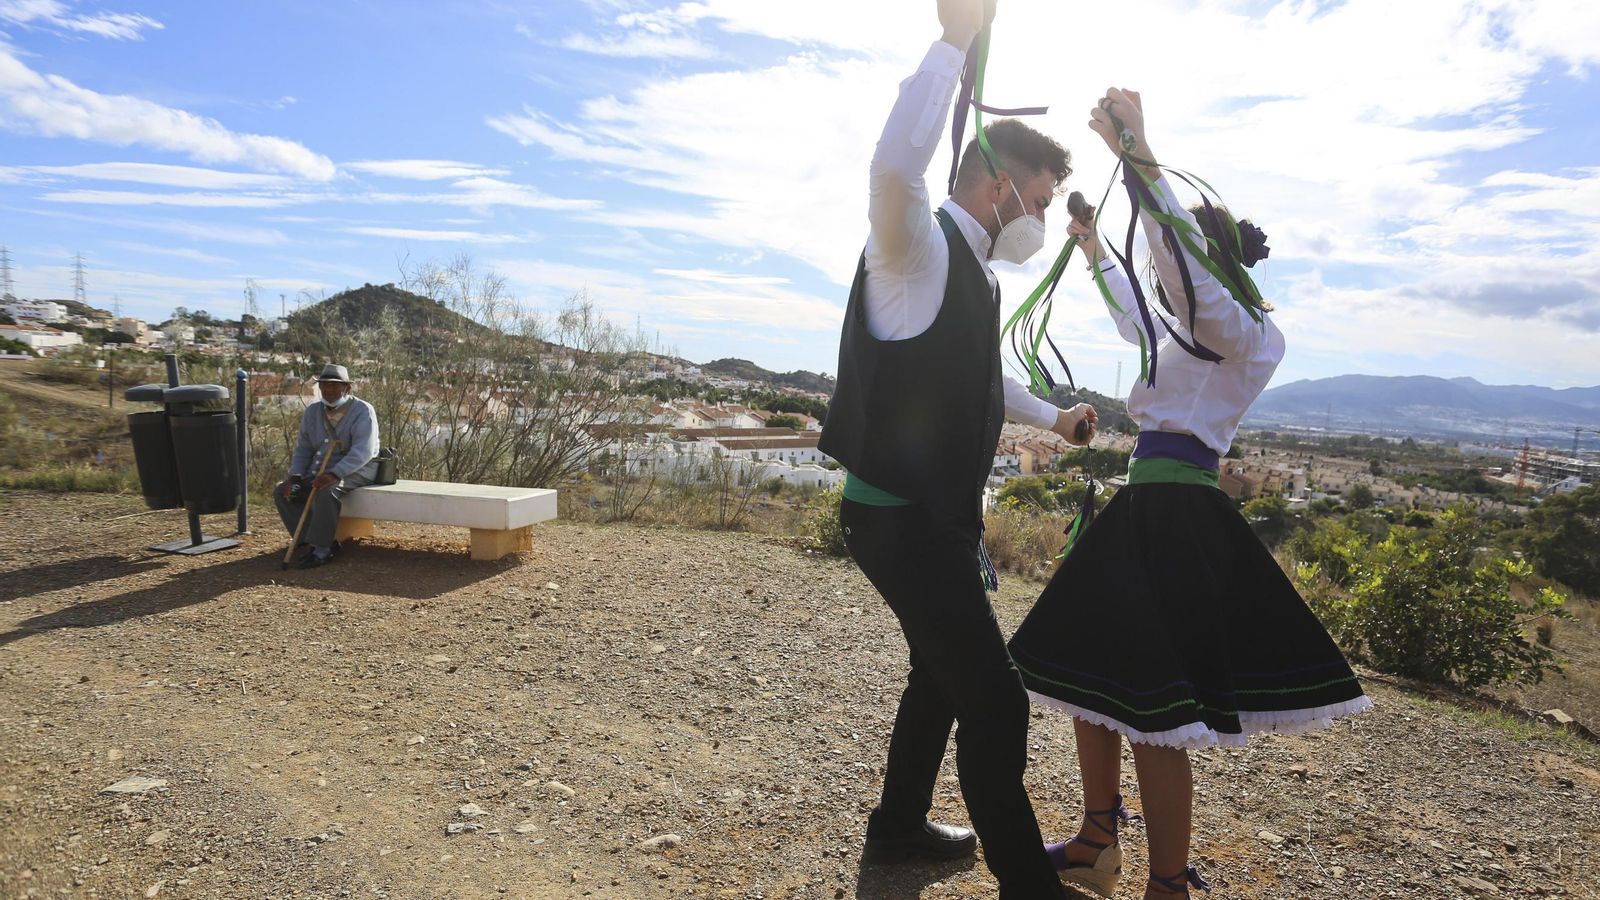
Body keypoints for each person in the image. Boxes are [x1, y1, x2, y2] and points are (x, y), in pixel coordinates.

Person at [1007, 89, 1370, 899]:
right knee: (1088, 683)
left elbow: (1181, 275)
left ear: (1212, 263)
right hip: (1141, 509)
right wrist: (1097, 244)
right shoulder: (1184, 330)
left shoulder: (1247, 333)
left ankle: (1167, 885)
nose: (1166, 277)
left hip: (1178, 517)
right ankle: (1100, 841)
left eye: (1181, 265)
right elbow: (1140, 312)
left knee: (1151, 716)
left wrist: (1139, 157)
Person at [816, 1, 1096, 895]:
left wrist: (1053, 419)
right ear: (998, 182)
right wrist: (953, 42)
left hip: (928, 520)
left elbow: (978, 381)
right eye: (1041, 201)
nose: (1042, 218)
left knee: (941, 678)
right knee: (996, 698)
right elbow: (894, 163)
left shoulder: (968, 268)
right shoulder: (914, 247)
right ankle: (1028, 883)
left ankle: (898, 828)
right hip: (897, 520)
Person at [274, 363, 380, 569]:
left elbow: (363, 451)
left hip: (359, 468)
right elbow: (303, 449)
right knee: (282, 491)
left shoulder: (363, 410)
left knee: (326, 491)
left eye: (335, 386)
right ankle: (309, 539)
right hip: (322, 469)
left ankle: (322, 551)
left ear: (347, 388)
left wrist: (334, 474)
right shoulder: (313, 412)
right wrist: (295, 476)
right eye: (325, 386)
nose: (329, 390)